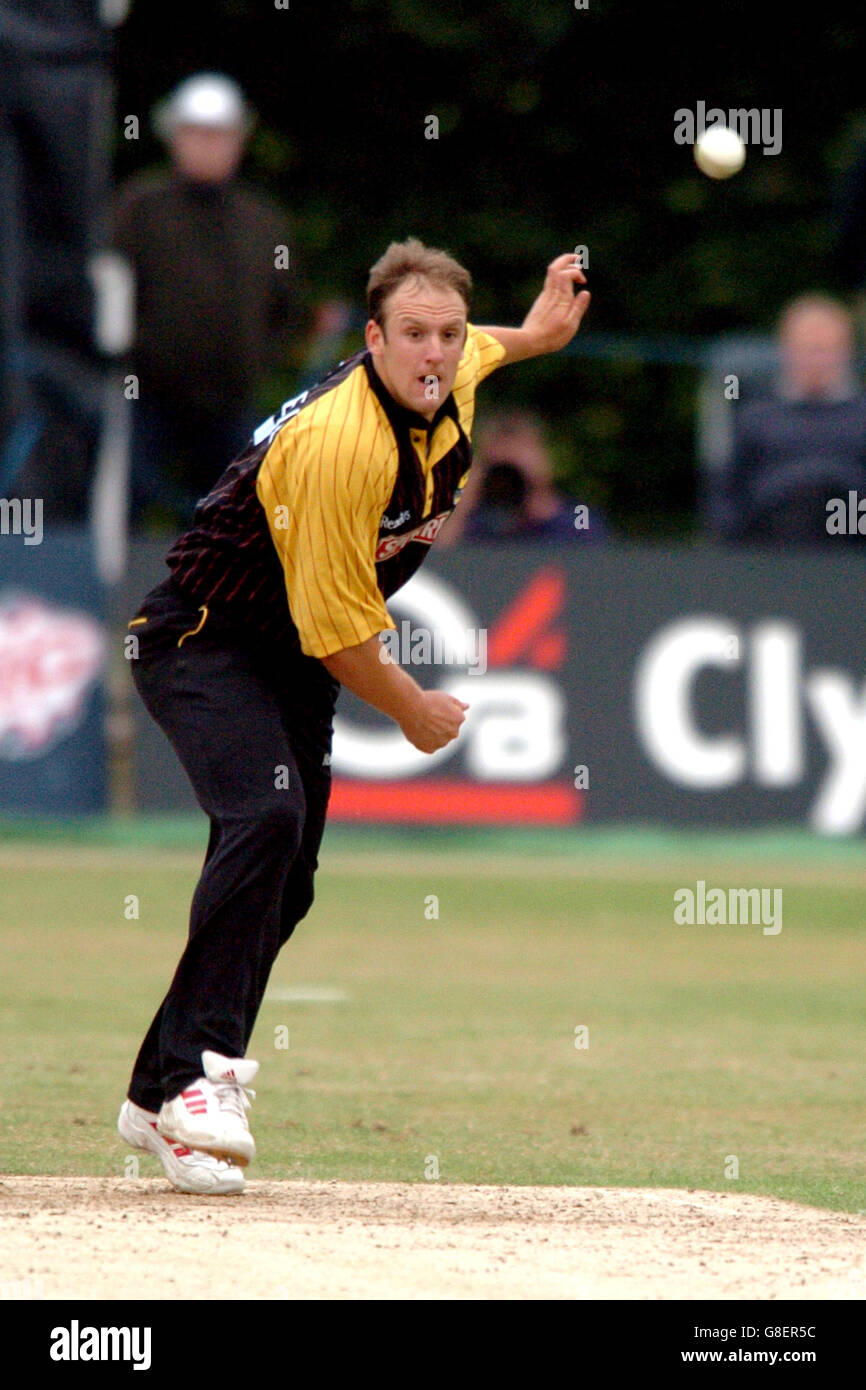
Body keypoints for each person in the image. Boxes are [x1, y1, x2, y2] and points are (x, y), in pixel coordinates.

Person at [117, 238, 590, 1194]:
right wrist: (414, 711)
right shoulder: (343, 446)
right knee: (265, 818)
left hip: (283, 657)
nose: (436, 354)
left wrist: (535, 335)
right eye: (412, 335)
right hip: (202, 637)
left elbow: (492, 347)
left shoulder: (454, 374)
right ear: (372, 339)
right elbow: (342, 643)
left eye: (449, 336)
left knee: (287, 880)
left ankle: (154, 1093)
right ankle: (202, 1082)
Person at [113, 73, 307, 528]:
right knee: (124, 496)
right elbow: (112, 291)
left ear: (239, 141)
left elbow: (286, 305)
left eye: (219, 135)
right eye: (196, 134)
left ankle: (226, 597)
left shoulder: (260, 220)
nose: (208, 146)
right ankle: (113, 592)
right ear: (174, 137)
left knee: (242, 510)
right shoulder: (140, 209)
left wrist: (260, 360)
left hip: (232, 401)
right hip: (147, 397)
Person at [722, 294, 866, 543]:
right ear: (785, 349)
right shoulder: (754, 416)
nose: (816, 360)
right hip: (769, 550)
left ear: (847, 351)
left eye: (825, 350)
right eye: (808, 349)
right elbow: (726, 496)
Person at [438, 410, 606, 544]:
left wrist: (536, 492)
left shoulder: (577, 518)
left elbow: (594, 565)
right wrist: (463, 502)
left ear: (544, 460)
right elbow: (436, 571)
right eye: (501, 470)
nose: (509, 479)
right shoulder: (478, 525)